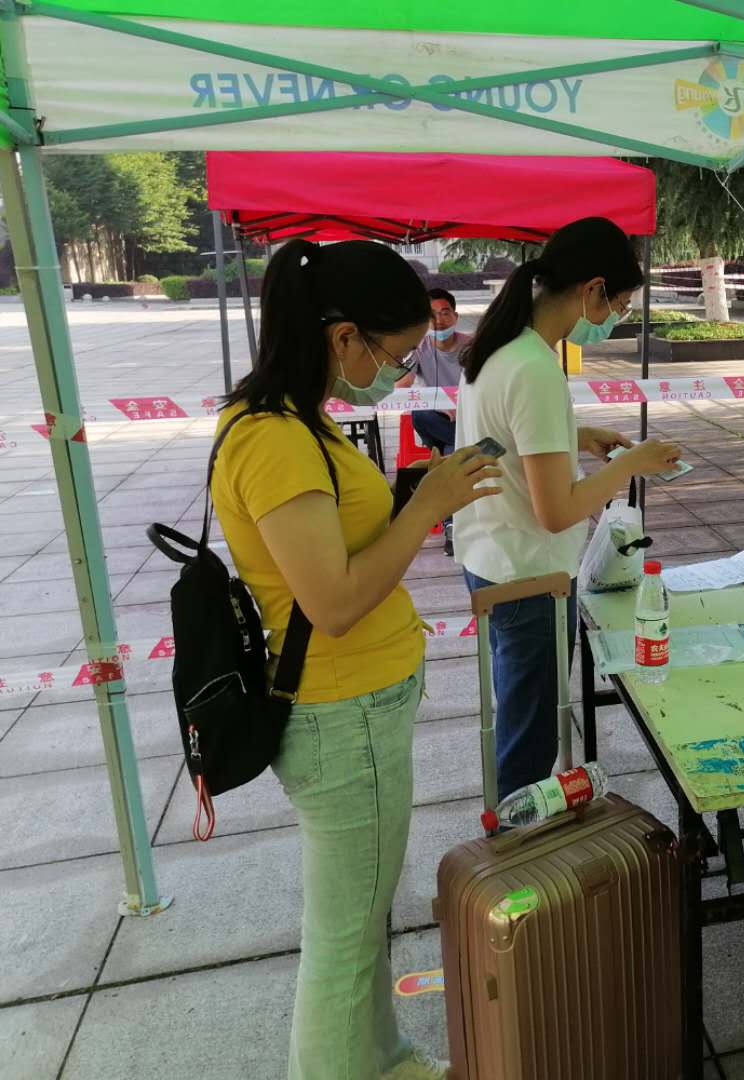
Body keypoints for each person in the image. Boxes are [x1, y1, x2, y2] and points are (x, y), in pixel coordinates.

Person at [212, 238, 502, 1080]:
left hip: (361, 706)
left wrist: (416, 493)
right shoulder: (275, 440)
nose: (400, 369)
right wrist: (429, 509)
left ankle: (388, 1061)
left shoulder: (297, 422)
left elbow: (339, 548)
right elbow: (331, 604)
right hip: (343, 716)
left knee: (362, 920)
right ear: (343, 338)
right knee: (343, 944)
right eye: (396, 352)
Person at [453, 217, 680, 798]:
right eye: (621, 304)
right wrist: (630, 463)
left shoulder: (502, 350)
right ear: (593, 290)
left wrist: (578, 436)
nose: (617, 318)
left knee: (517, 710)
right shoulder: (535, 370)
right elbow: (557, 511)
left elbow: (497, 442)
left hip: (493, 556)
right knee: (530, 736)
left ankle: (509, 829)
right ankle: (514, 845)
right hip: (530, 573)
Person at [397, 288, 470, 555]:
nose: (438, 321)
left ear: (456, 316)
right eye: (432, 316)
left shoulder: (472, 345)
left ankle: (452, 525)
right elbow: (402, 385)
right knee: (421, 413)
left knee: (450, 451)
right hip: (433, 421)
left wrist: (458, 407)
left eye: (444, 313)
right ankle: (457, 446)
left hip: (464, 418)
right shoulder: (419, 348)